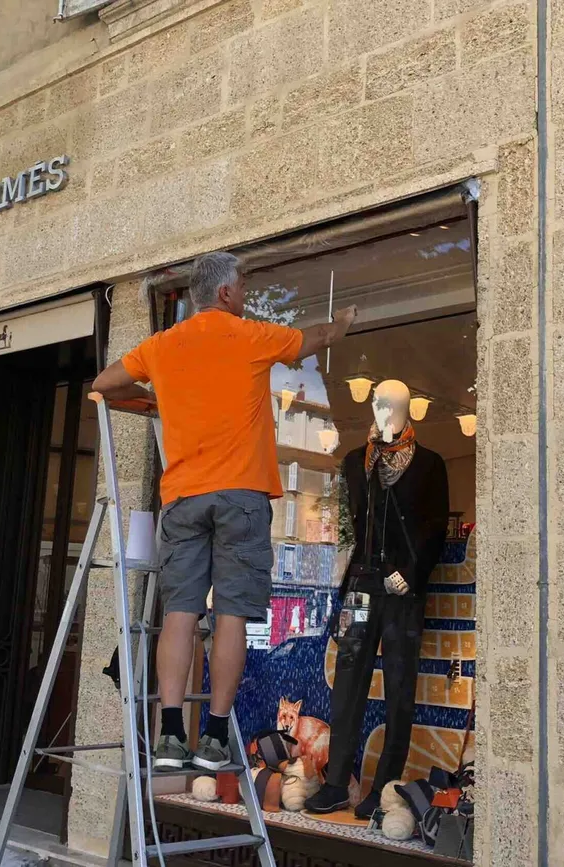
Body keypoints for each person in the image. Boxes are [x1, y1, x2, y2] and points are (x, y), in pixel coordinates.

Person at [92, 251, 357, 770]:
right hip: (240, 494)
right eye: (242, 286)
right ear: (226, 294)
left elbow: (103, 384)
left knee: (179, 613)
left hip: (184, 493)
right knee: (231, 615)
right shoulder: (250, 336)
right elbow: (316, 339)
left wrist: (155, 395)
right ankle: (213, 738)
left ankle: (169, 734)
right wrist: (344, 321)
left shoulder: (162, 346)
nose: (245, 294)